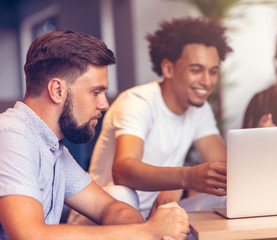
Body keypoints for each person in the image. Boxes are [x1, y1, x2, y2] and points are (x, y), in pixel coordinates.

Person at [0, 30, 189, 240]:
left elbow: (111, 208)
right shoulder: (11, 132)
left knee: (121, 195)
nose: (104, 104)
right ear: (57, 91)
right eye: (96, 92)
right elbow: (28, 235)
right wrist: (147, 231)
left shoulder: (53, 149)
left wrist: (147, 233)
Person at [70, 17, 232, 221]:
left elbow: (226, 169)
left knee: (229, 197)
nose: (207, 82)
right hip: (104, 215)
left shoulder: (200, 109)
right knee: (122, 193)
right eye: (196, 70)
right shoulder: (137, 101)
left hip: (158, 214)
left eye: (213, 71)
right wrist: (184, 179)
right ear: (168, 69)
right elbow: (123, 170)